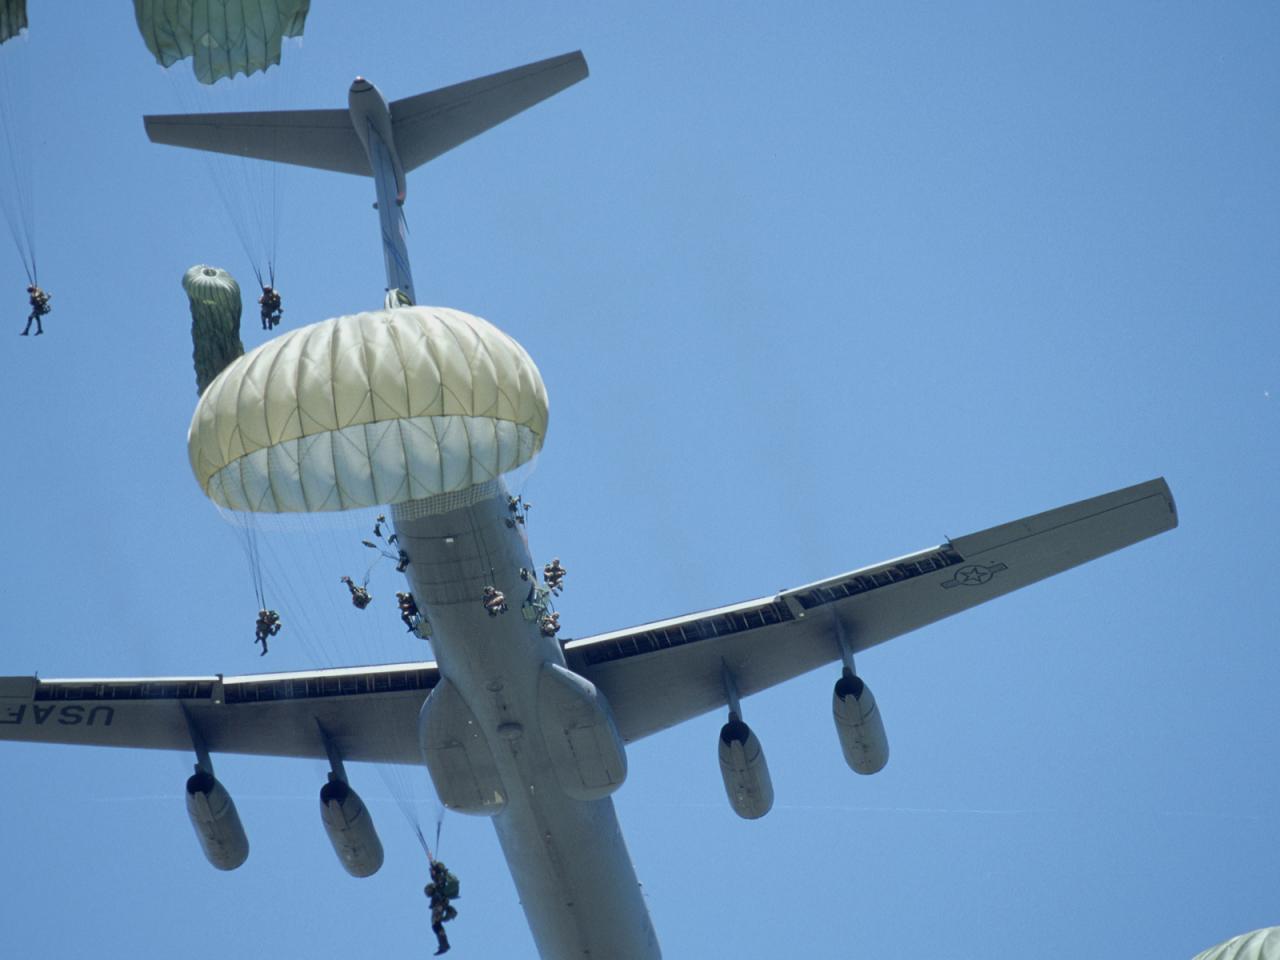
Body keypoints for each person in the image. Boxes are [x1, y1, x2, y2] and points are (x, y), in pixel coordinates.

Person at [424, 859, 460, 955]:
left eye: (427, 891)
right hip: (440, 905)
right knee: (436, 925)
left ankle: (444, 944)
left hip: (440, 905)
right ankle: (444, 944)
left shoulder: (438, 885)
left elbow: (439, 878)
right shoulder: (438, 885)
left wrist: (435, 868)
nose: (427, 893)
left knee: (436, 925)